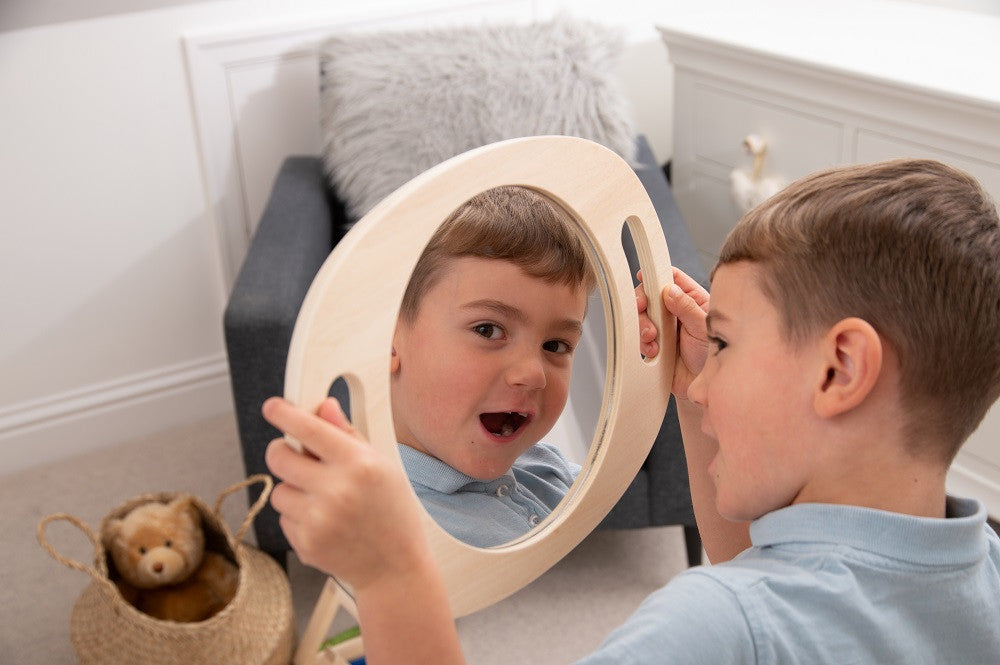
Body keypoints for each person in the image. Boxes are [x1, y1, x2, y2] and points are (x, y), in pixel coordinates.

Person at [263, 158, 1000, 664]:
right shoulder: (984, 568)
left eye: (726, 343)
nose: (703, 381)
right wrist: (683, 396)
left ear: (839, 369)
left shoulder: (711, 627)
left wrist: (394, 577)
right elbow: (780, 581)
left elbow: (756, 604)